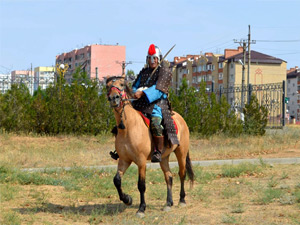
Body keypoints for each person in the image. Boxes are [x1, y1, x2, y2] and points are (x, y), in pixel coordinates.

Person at [132, 44, 179, 163]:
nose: (152, 61)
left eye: (154, 58)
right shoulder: (144, 72)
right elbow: (134, 86)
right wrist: (134, 92)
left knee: (155, 123)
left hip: (157, 104)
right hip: (141, 104)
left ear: (159, 58)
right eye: (150, 58)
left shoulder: (164, 71)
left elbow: (158, 90)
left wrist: (143, 93)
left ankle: (158, 151)